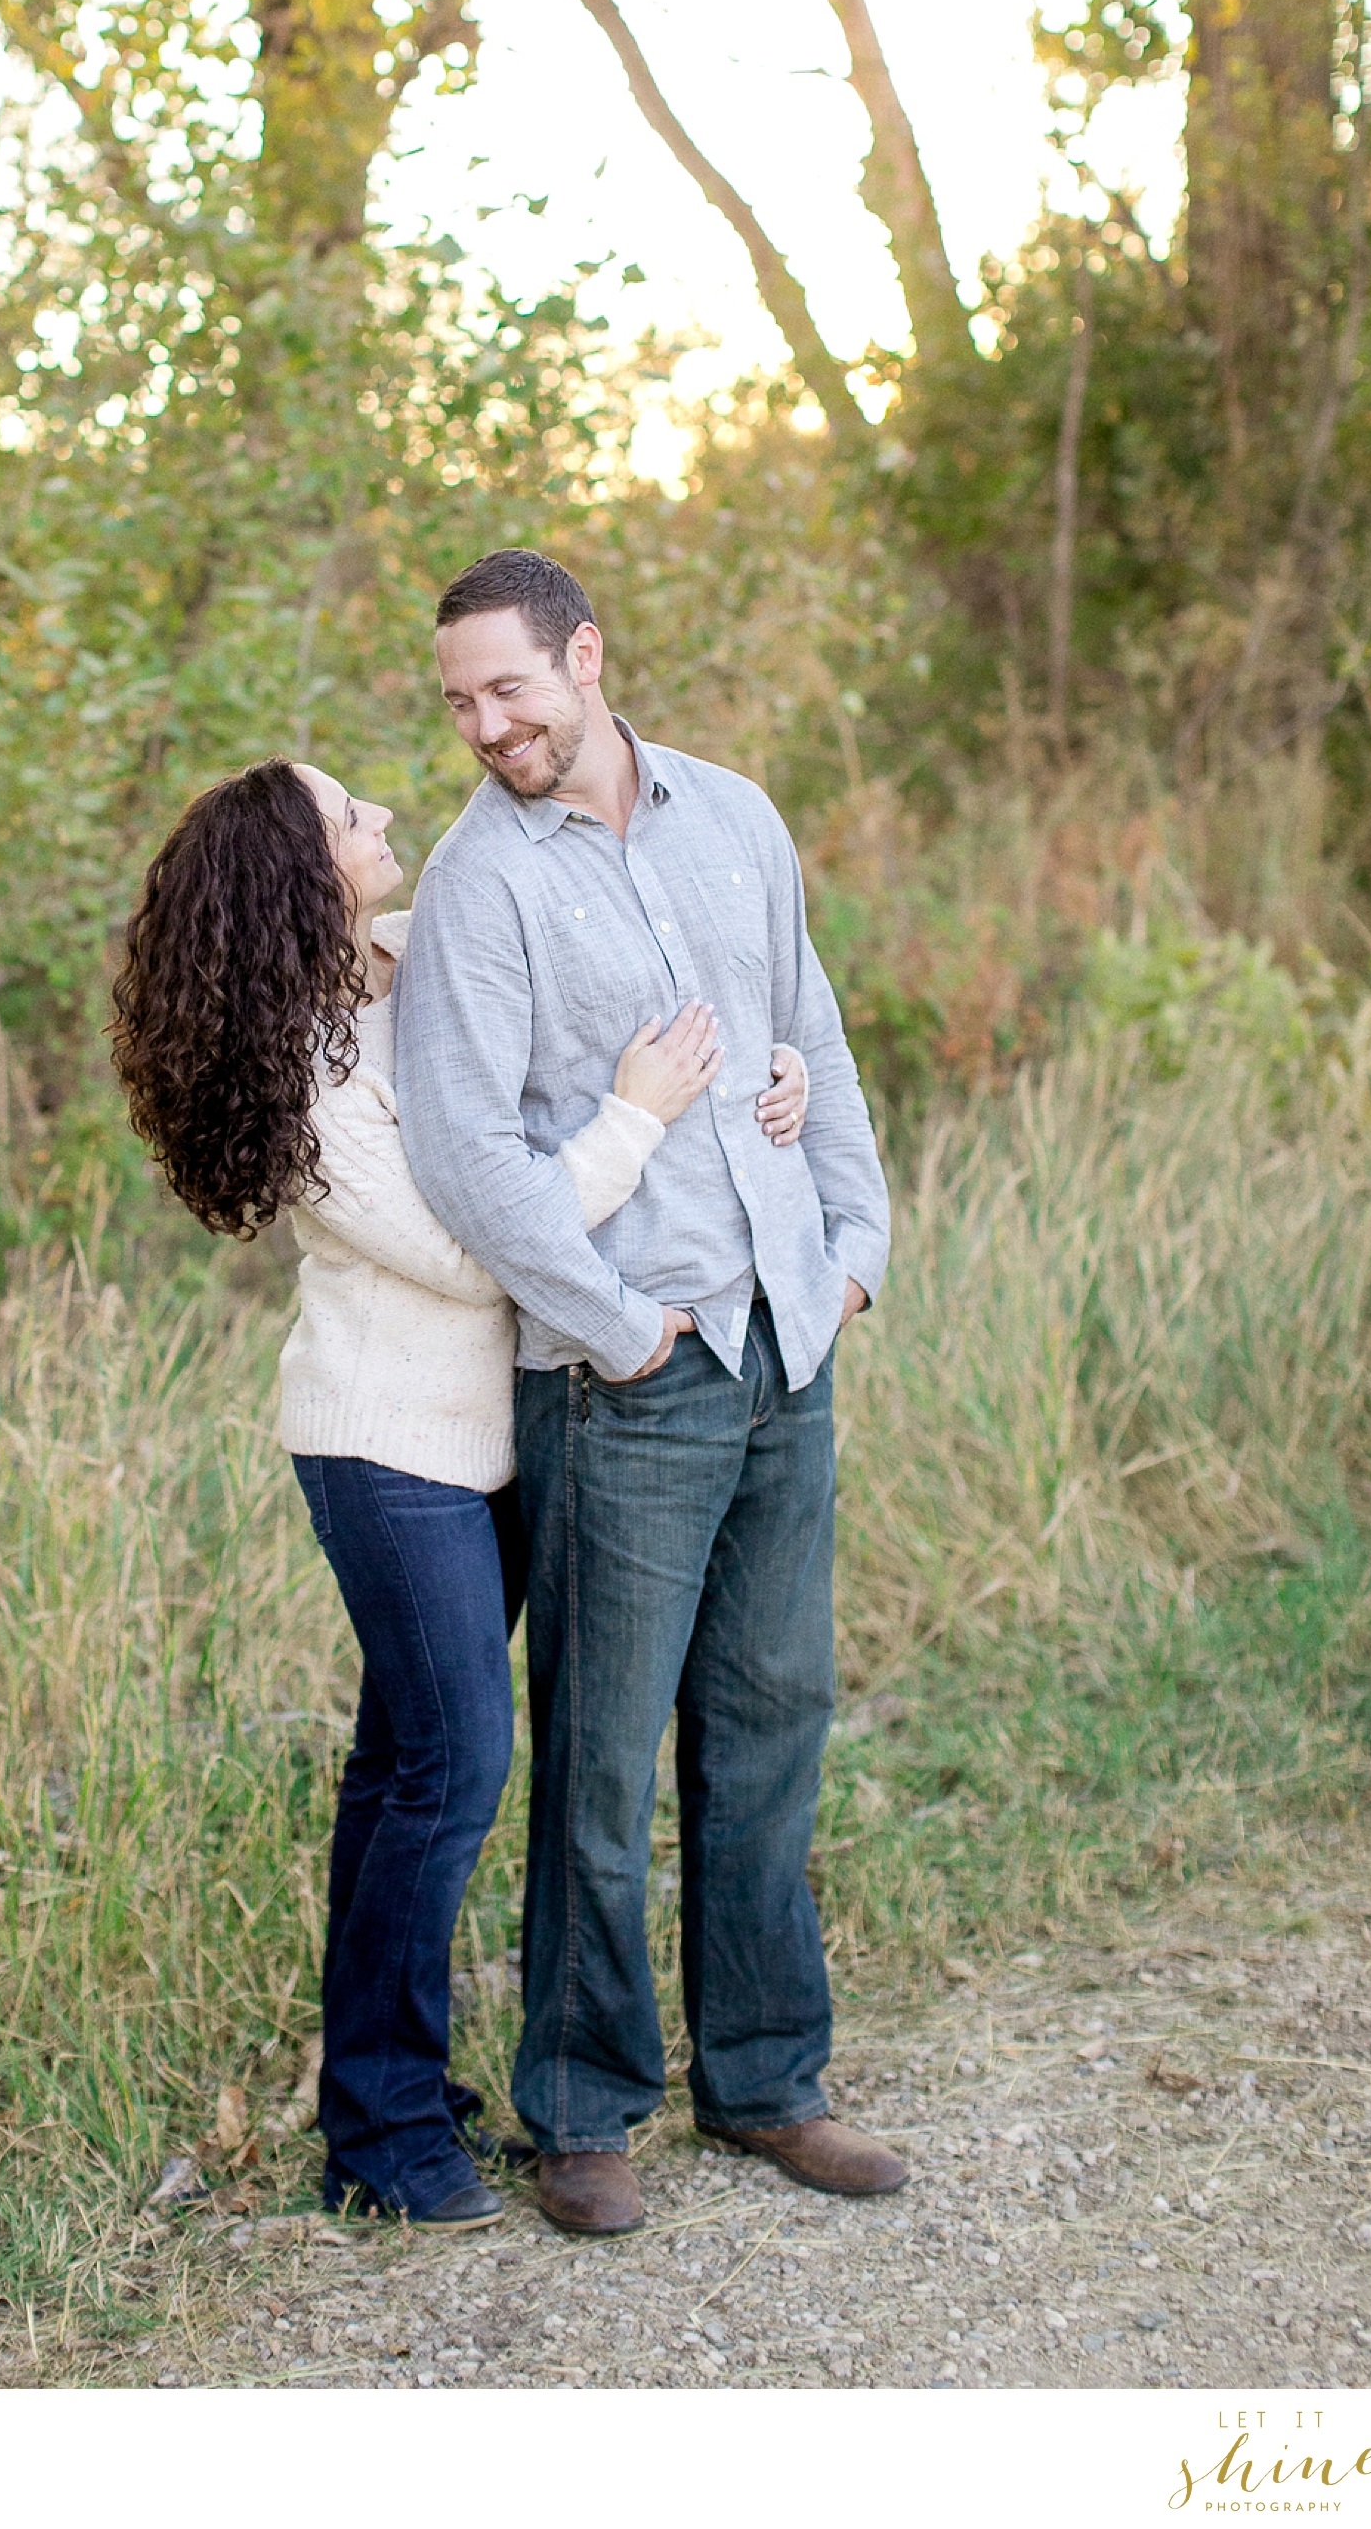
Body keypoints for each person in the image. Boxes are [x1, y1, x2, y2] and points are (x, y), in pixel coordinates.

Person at [110, 753, 809, 2230]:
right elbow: (477, 1242)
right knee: (449, 1772)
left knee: (401, 1770)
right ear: (304, 876)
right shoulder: (312, 1069)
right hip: (390, 1454)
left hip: (487, 1441)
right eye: (353, 821)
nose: (386, 824)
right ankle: (380, 2130)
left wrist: (772, 1063)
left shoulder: (402, 959)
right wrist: (631, 1116)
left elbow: (557, 958)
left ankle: (391, 2084)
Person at [396, 548, 906, 2237]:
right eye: (461, 698)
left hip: (783, 1345)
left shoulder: (734, 816)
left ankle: (766, 2082)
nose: (486, 725)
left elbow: (810, 1039)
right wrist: (614, 1327)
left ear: (587, 657)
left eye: (511, 688)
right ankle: (586, 2106)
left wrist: (851, 1251)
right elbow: (472, 1154)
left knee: (769, 1727)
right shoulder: (482, 884)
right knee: (601, 1761)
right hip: (628, 1378)